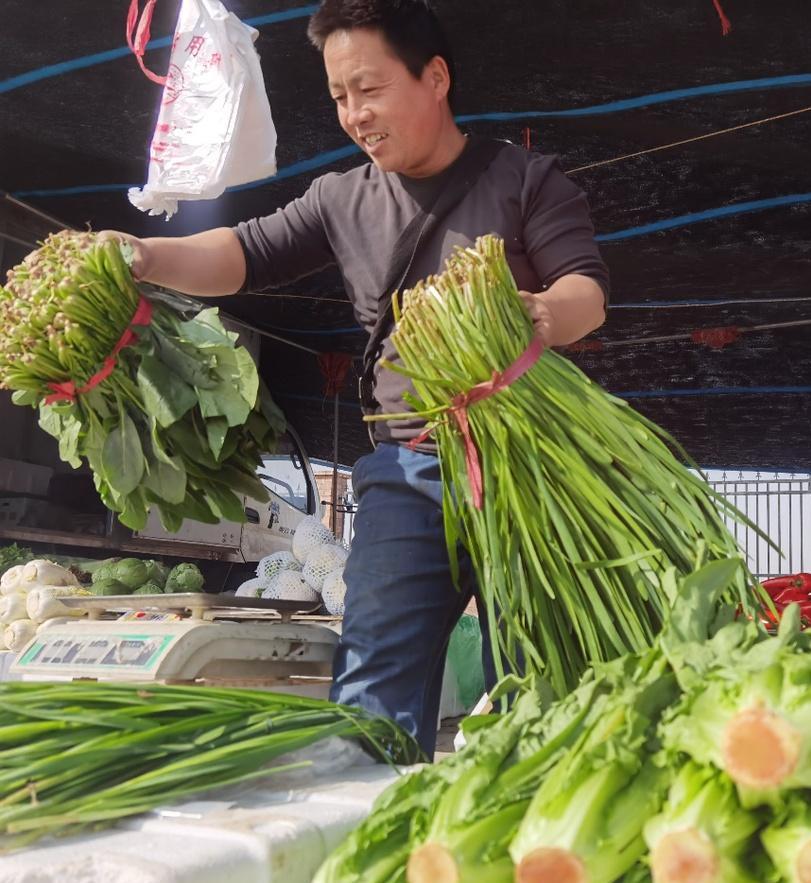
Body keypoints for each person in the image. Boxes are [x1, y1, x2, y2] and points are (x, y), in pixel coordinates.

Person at [102, 0, 608, 756]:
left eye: (367, 89)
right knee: (369, 700)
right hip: (405, 473)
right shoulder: (342, 198)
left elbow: (585, 295)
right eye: (339, 96)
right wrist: (144, 254)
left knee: (535, 696)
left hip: (526, 469)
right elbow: (241, 252)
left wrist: (533, 314)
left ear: (433, 77)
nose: (352, 114)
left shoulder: (525, 180)